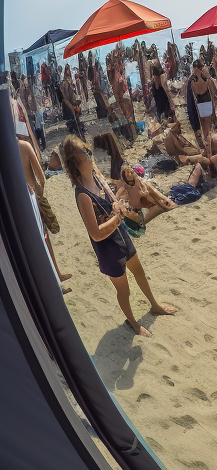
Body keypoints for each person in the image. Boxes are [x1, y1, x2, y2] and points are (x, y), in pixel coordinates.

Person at [60, 134, 177, 336]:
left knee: (139, 271)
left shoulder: (96, 175)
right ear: (75, 161)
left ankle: (155, 305)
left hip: (121, 235)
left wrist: (124, 187)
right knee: (124, 290)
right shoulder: (82, 195)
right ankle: (133, 323)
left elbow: (113, 193)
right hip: (107, 249)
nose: (90, 152)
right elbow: (95, 234)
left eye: (88, 148)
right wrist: (117, 215)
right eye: (84, 151)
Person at [20, 137, 72, 289]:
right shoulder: (24, 146)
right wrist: (40, 194)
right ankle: (57, 276)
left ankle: (49, 279)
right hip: (33, 198)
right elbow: (41, 176)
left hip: (17, 201)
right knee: (45, 239)